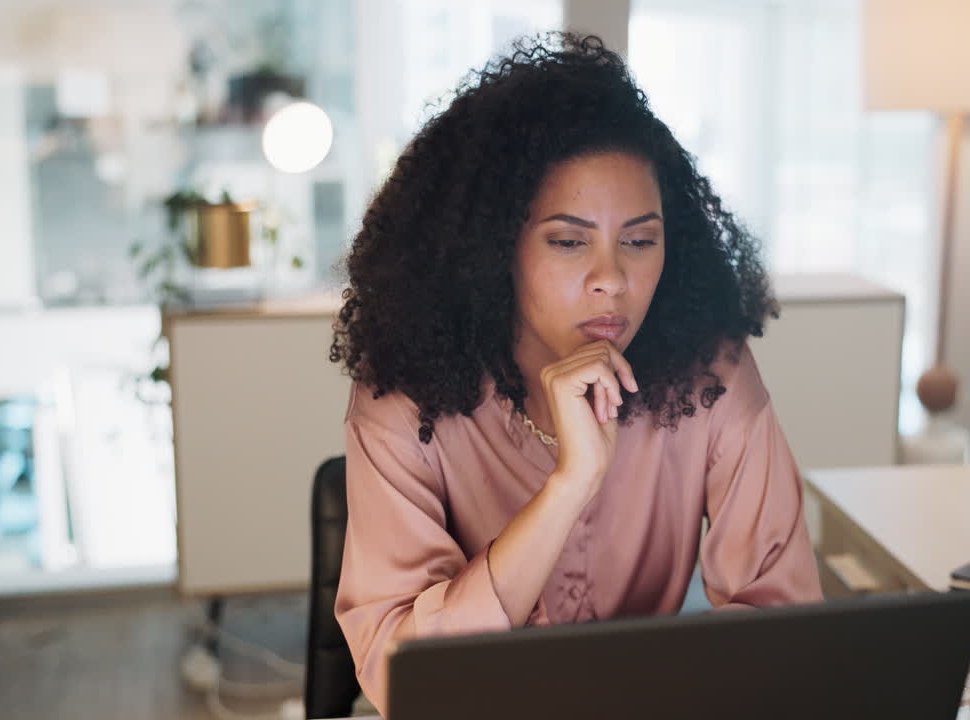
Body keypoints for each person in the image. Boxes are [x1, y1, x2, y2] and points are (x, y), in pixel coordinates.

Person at [329, 32, 822, 712]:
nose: (612, 281)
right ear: (493, 248)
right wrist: (569, 486)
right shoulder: (406, 398)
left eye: (640, 241)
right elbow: (402, 675)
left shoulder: (710, 376)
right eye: (568, 242)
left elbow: (784, 627)